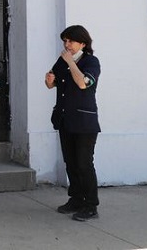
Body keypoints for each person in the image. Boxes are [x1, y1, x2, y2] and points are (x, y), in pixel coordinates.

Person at [45, 25, 101, 222]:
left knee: (84, 163)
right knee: (70, 162)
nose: (66, 44)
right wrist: (49, 80)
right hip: (65, 119)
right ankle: (76, 199)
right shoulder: (62, 61)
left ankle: (91, 205)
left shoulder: (91, 62)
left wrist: (70, 62)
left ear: (82, 44)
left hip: (84, 122)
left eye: (70, 41)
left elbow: (83, 83)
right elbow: (52, 83)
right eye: (65, 41)